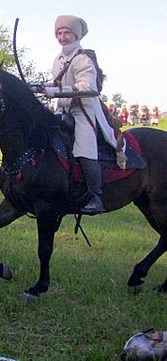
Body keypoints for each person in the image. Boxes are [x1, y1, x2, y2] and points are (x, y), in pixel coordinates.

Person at [43, 15, 118, 215]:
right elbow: (55, 84)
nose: (62, 37)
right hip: (64, 109)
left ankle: (96, 196)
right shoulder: (58, 59)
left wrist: (57, 92)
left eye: (66, 32)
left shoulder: (83, 57)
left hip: (84, 110)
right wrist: (42, 88)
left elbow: (88, 86)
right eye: (59, 33)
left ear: (75, 34)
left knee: (85, 149)